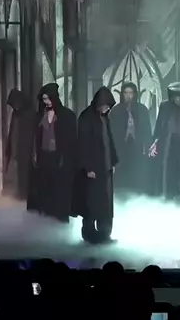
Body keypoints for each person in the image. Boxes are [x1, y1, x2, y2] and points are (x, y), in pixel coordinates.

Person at [74, 87, 118, 244]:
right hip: (92, 169)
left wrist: (112, 161)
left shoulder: (104, 117)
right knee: (91, 203)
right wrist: (88, 167)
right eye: (105, 106)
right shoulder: (86, 117)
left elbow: (109, 140)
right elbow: (82, 144)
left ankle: (105, 234)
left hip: (105, 167)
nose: (107, 109)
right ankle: (90, 234)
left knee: (105, 204)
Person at [30, 83, 78, 222]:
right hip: (44, 157)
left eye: (48, 98)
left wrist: (66, 158)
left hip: (60, 158)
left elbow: (71, 140)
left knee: (59, 191)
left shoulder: (67, 116)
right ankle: (46, 219)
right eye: (44, 99)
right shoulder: (40, 115)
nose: (47, 102)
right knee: (45, 189)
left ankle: (59, 219)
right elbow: (36, 137)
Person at [110, 82, 152, 198]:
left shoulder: (142, 110)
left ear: (135, 94)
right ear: (122, 94)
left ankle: (137, 196)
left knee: (136, 172)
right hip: (120, 148)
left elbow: (147, 130)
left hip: (137, 147)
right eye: (126, 93)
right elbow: (112, 131)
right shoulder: (116, 111)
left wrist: (148, 147)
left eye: (131, 93)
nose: (128, 96)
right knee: (121, 174)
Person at [5, 89, 36, 200]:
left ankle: (24, 193)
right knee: (19, 172)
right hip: (17, 147)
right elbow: (13, 130)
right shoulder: (16, 113)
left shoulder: (29, 113)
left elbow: (32, 132)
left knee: (25, 172)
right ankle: (20, 192)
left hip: (26, 148)